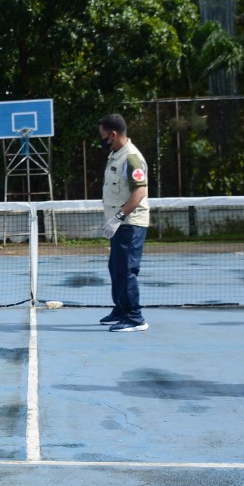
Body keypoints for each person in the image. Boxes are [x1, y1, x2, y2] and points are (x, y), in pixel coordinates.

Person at [97, 113, 151, 333]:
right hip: (119, 224)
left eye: (103, 135)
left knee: (127, 270)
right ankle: (120, 309)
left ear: (113, 134)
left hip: (130, 223)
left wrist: (119, 217)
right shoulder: (116, 155)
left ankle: (135, 318)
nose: (101, 139)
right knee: (116, 268)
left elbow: (140, 191)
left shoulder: (131, 157)